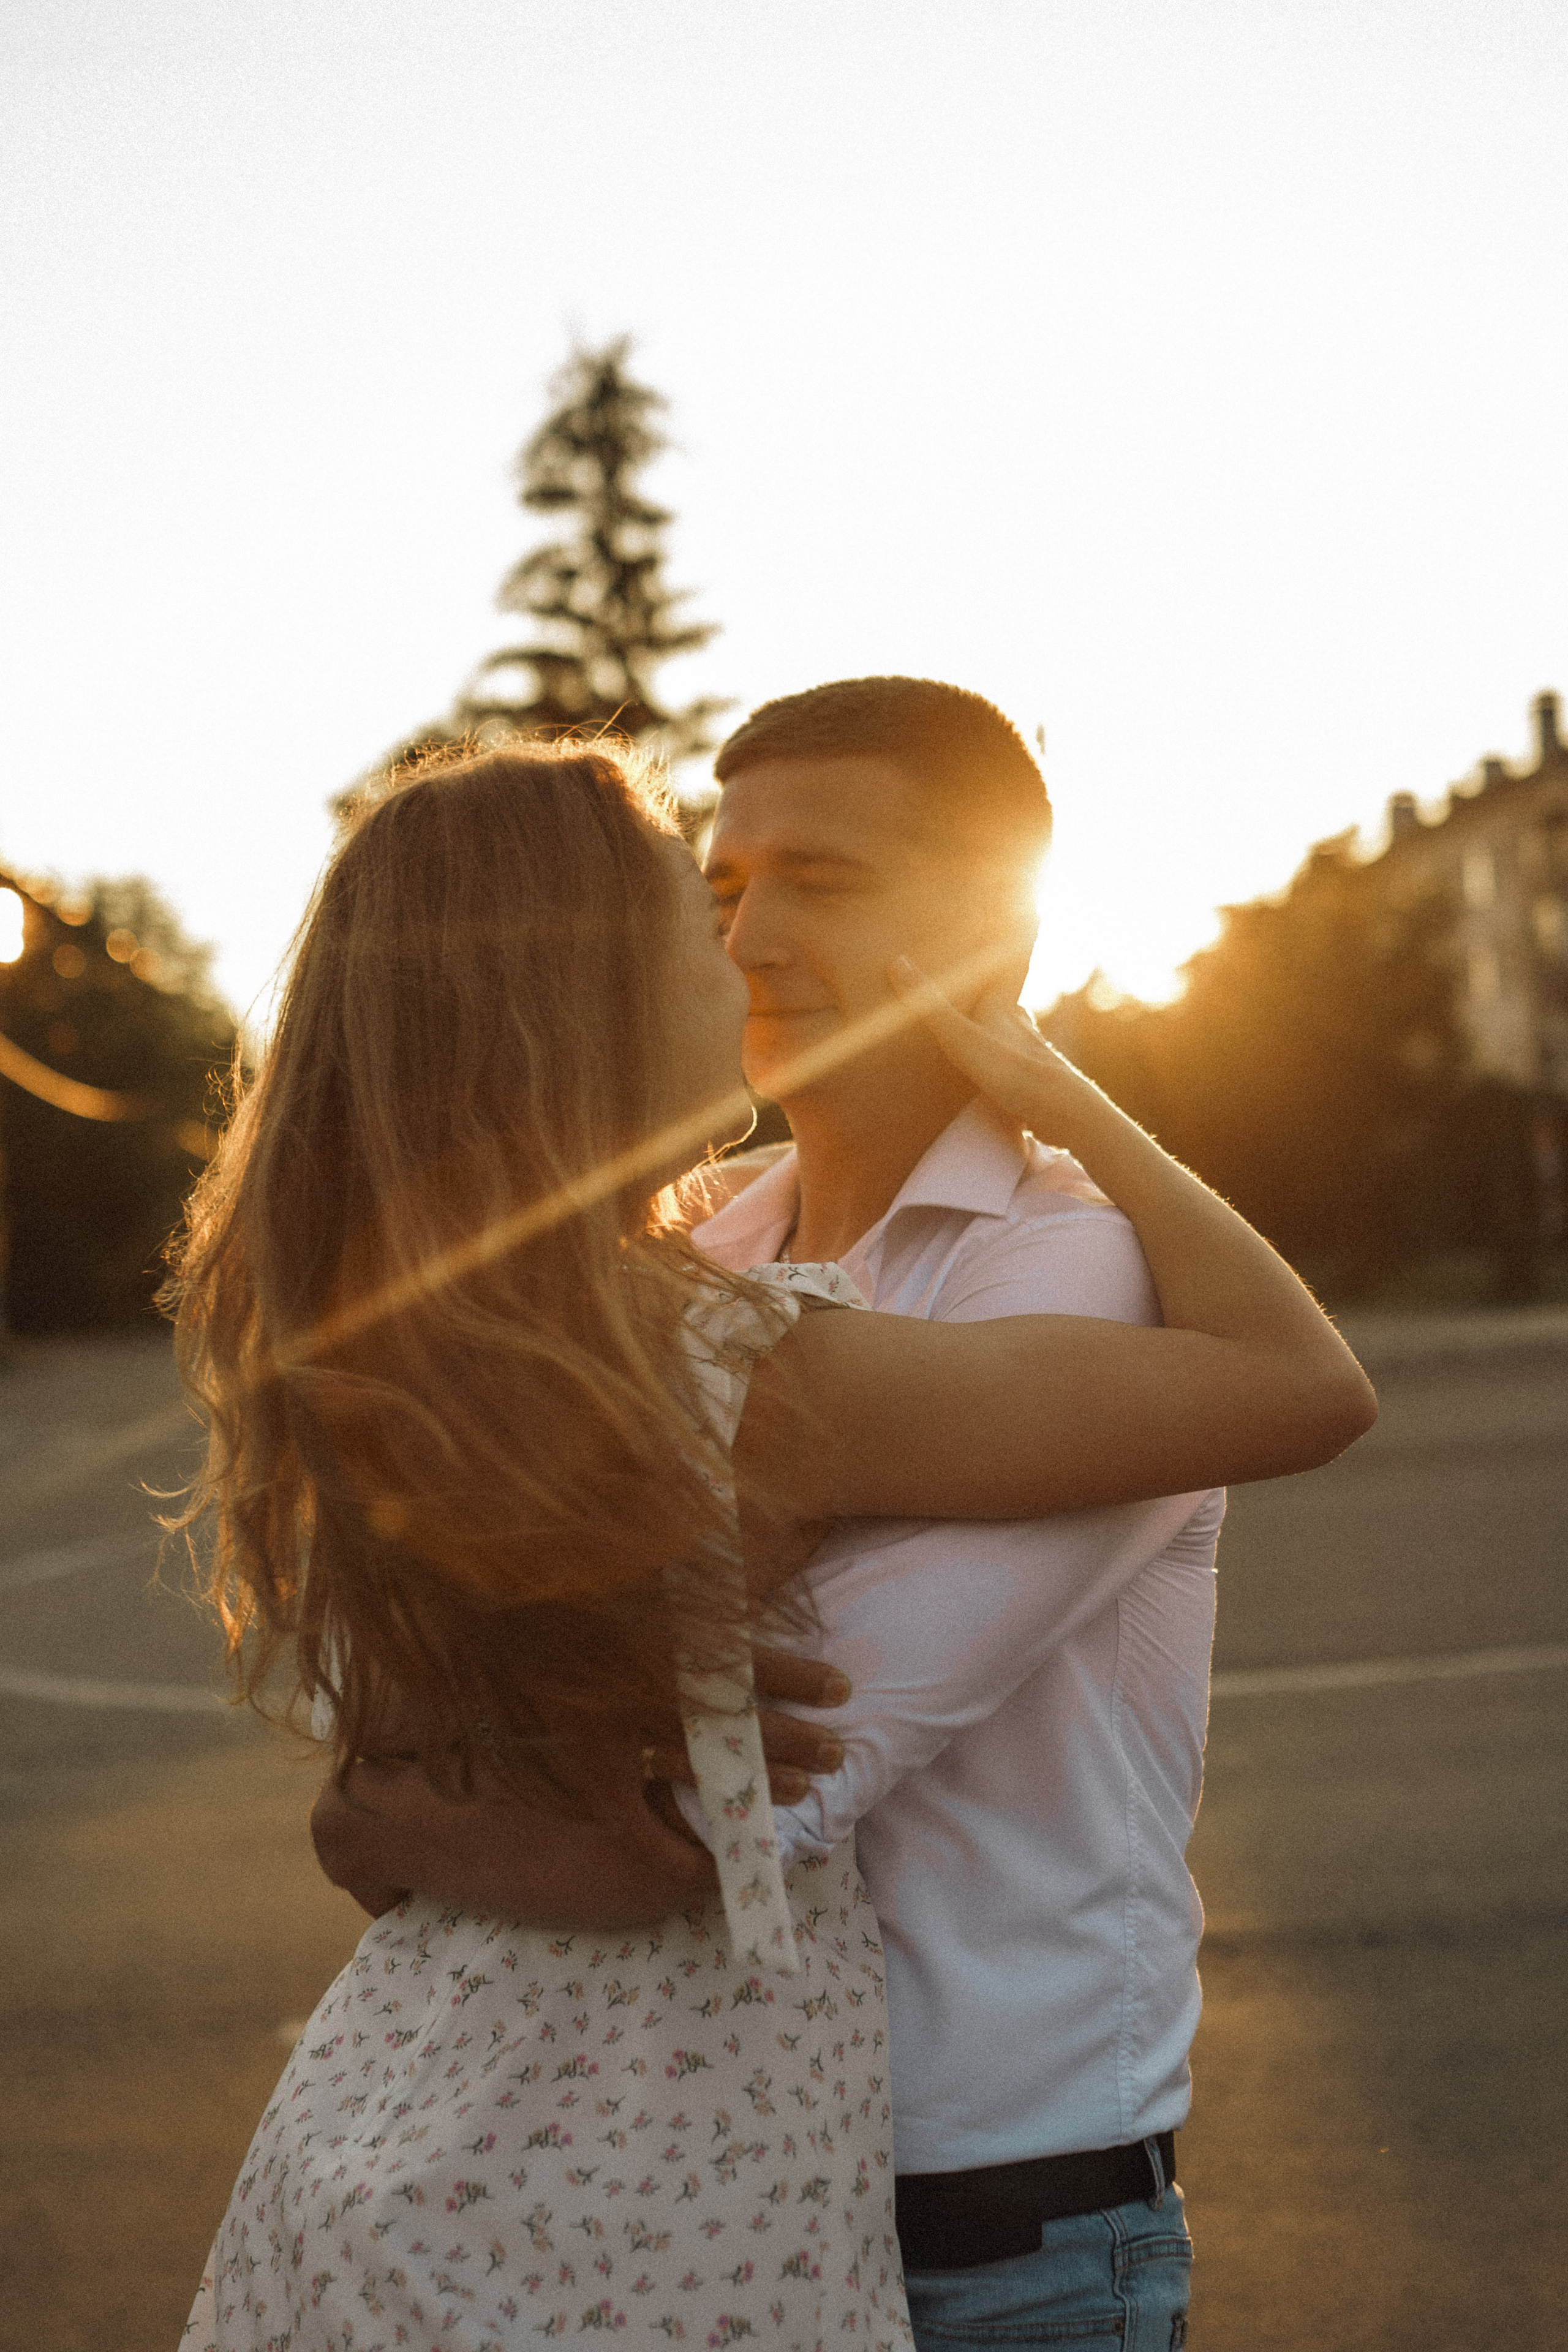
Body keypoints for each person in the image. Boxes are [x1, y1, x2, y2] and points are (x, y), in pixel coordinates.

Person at [182, 724, 1373, 2351]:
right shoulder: (691, 1291)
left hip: (971, 2229)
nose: (744, 940)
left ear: (991, 930)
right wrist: (397, 1802)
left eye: (813, 883)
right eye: (714, 894)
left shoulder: (1068, 1271)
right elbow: (687, 1803)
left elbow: (713, 1811)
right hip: (643, 2204)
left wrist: (394, 1815)